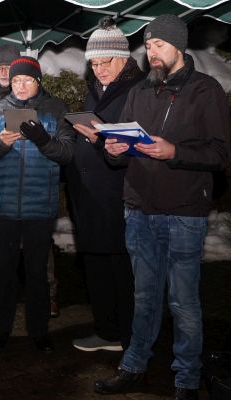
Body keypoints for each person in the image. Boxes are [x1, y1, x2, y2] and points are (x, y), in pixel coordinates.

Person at [94, 15, 230, 400]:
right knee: (144, 297)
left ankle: (186, 379)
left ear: (178, 45)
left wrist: (175, 152)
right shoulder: (140, 91)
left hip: (184, 212)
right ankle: (134, 366)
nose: (152, 52)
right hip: (139, 209)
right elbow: (123, 148)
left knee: (182, 302)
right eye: (149, 45)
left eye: (159, 45)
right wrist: (114, 149)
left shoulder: (205, 90)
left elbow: (221, 154)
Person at [0, 56, 75, 353]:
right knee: (5, 273)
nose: (20, 86)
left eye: (26, 80)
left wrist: (42, 139)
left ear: (38, 81)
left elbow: (67, 154)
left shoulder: (55, 109)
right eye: (15, 80)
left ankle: (39, 333)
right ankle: (0, 331)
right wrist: (1, 144)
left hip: (40, 205)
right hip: (4, 206)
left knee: (37, 273)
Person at [66, 17, 144, 353]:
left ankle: (130, 338)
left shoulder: (138, 91)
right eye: (94, 64)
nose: (98, 70)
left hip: (119, 195)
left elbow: (137, 146)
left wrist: (102, 140)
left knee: (122, 270)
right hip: (90, 197)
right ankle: (106, 330)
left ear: (122, 58)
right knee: (97, 266)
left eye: (104, 62)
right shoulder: (97, 90)